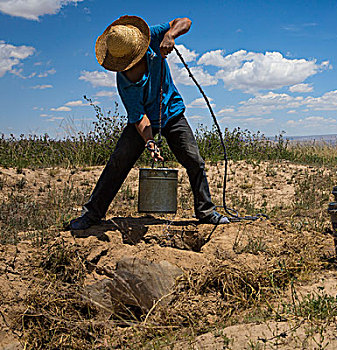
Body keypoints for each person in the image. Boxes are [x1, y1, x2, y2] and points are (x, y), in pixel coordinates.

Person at [69, 15, 229, 230]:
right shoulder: (124, 81)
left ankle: (206, 212)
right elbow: (139, 117)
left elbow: (185, 21)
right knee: (118, 162)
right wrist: (150, 142)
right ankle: (91, 215)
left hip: (171, 113)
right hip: (144, 123)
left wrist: (170, 36)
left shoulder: (150, 36)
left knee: (194, 160)